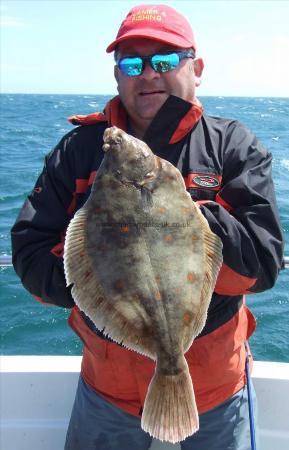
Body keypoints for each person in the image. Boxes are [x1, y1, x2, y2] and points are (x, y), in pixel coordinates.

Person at [11, 4, 284, 450]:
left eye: (165, 60)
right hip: (108, 386)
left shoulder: (233, 146)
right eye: (132, 63)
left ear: (196, 70)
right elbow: (29, 250)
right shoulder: (78, 150)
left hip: (216, 384)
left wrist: (198, 221)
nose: (148, 74)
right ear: (117, 76)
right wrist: (96, 284)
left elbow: (263, 266)